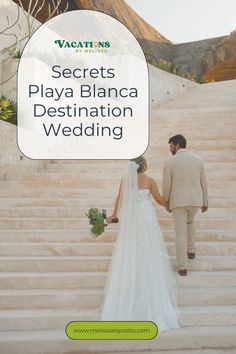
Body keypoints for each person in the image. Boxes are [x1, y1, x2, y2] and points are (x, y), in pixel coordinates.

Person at [100, 156, 180, 333]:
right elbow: (159, 200)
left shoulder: (125, 180)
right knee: (148, 255)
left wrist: (113, 215)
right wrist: (171, 205)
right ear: (144, 165)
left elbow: (119, 199)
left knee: (129, 255)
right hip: (146, 221)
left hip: (132, 222)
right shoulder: (149, 180)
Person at [162, 134, 208, 276]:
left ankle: (182, 266)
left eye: (171, 146)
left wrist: (166, 201)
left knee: (180, 232)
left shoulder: (170, 161)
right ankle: (191, 250)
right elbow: (204, 183)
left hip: (178, 201)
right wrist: (205, 201)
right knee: (191, 222)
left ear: (177, 145)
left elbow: (166, 184)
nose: (170, 149)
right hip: (195, 200)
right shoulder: (198, 160)